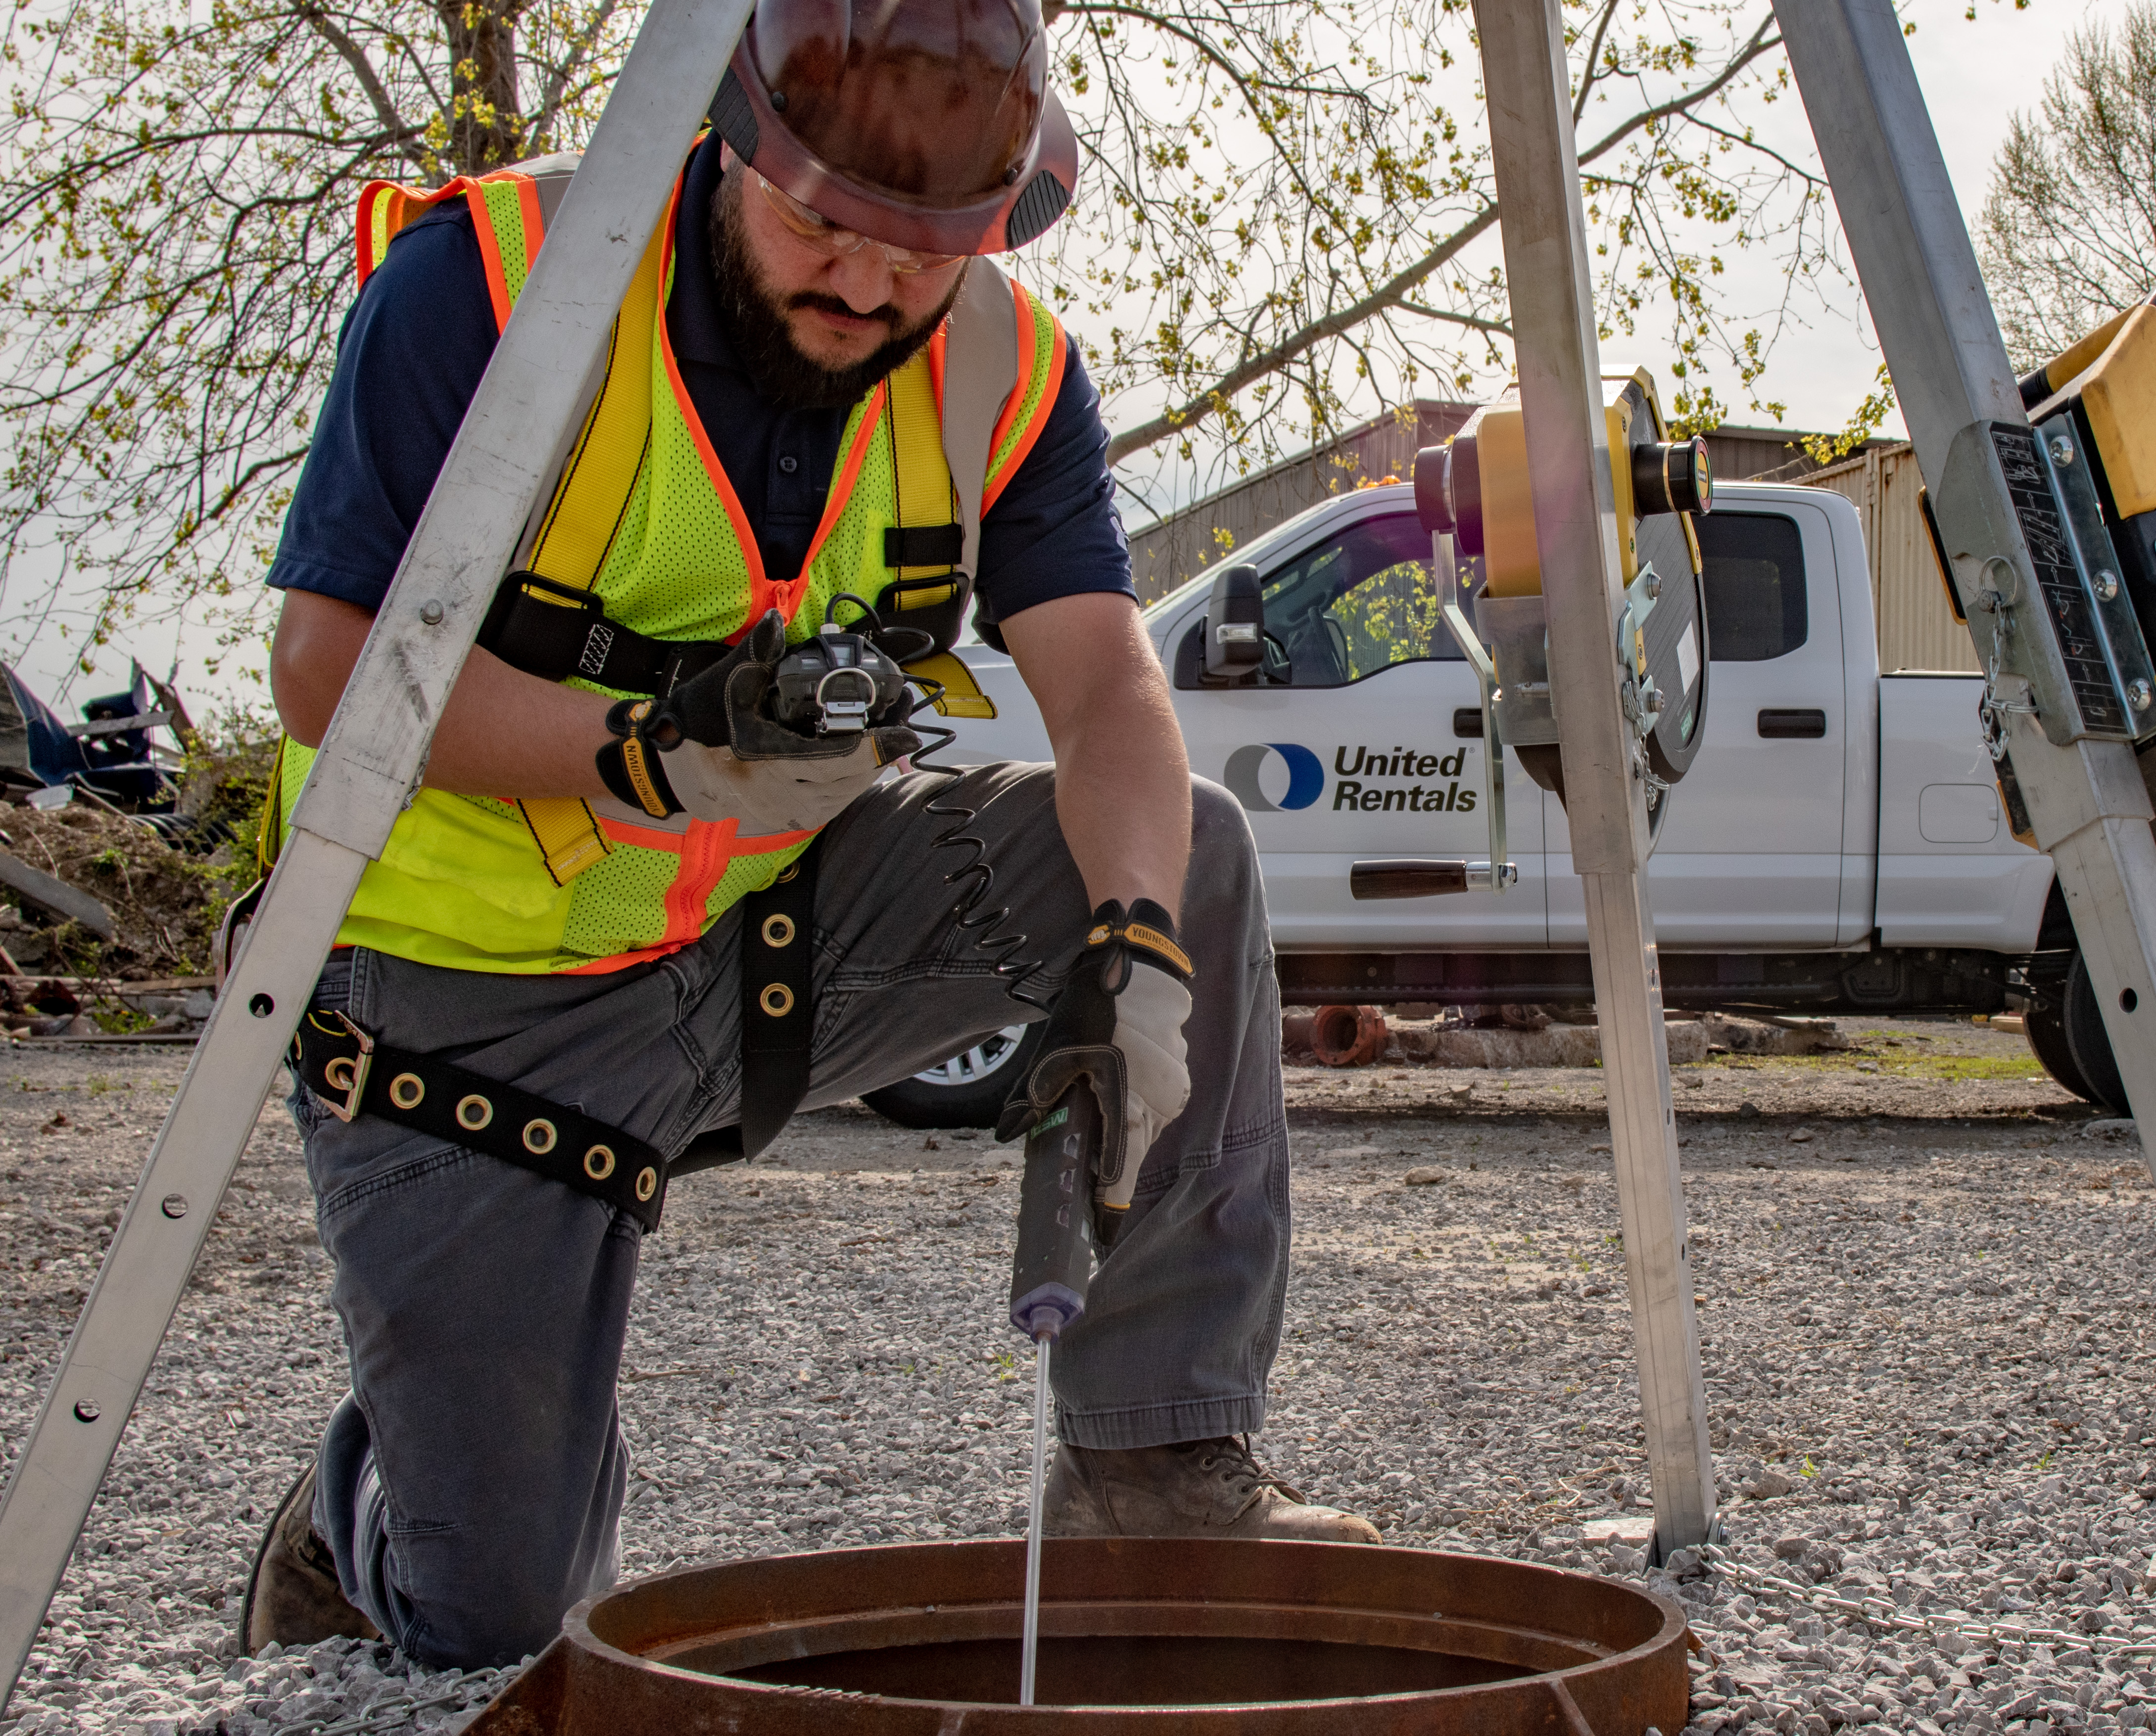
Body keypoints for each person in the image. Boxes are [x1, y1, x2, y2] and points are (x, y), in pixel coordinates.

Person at [240, 0, 1372, 1668]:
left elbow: (1109, 691)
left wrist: (1133, 962)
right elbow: (326, 668)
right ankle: (358, 1523)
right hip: (469, 1006)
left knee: (1178, 853)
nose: (865, 286)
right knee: (493, 1621)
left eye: (921, 255)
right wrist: (644, 760)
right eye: (823, 225)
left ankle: (1154, 1466)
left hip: (768, 941)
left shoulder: (1004, 366)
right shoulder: (494, 286)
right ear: (728, 136)